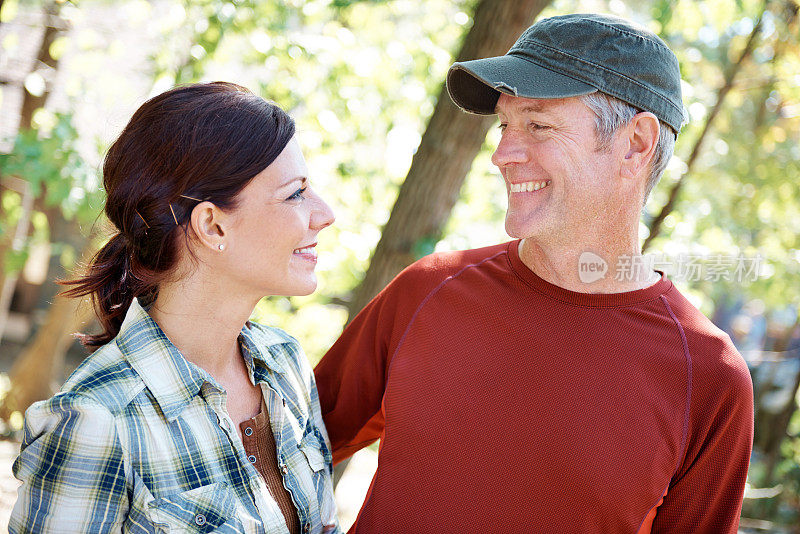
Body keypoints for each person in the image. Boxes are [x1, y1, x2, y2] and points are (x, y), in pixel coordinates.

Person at [314, 13, 753, 533]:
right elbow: (284, 448)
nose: (501, 154)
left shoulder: (708, 378)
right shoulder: (429, 289)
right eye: (505, 124)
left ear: (636, 143)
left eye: (538, 125)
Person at [11, 82, 340, 534]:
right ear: (211, 224)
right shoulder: (96, 421)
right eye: (295, 193)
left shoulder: (286, 363)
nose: (325, 214)